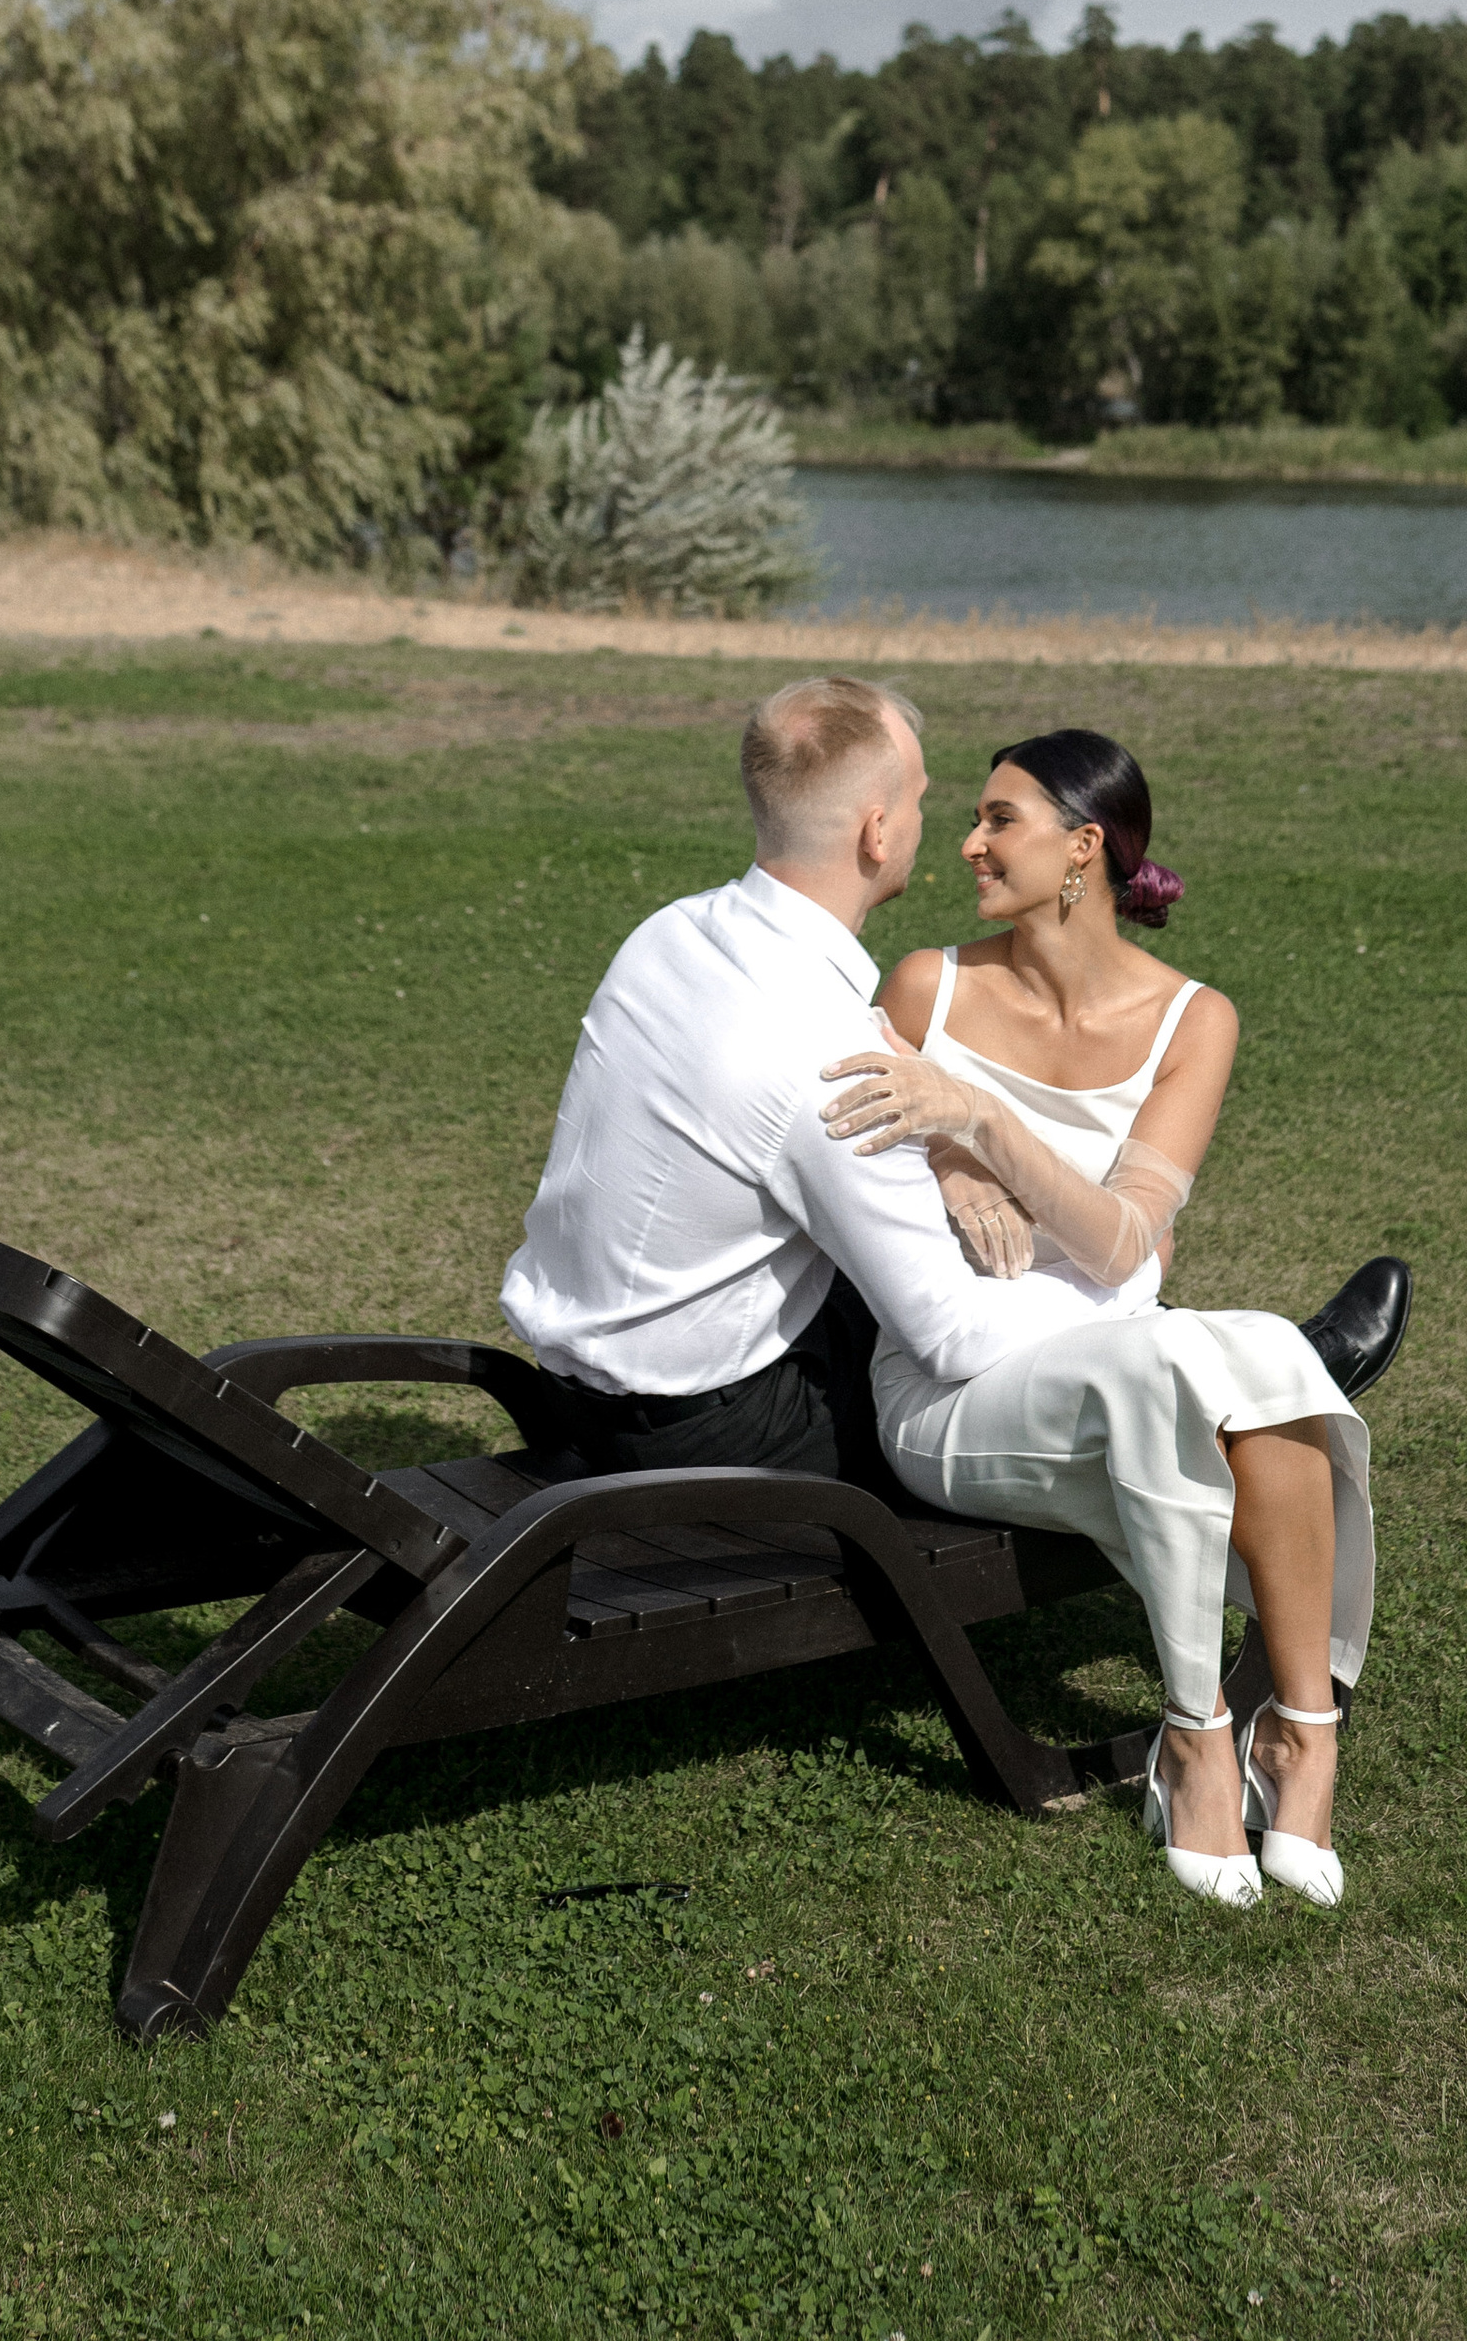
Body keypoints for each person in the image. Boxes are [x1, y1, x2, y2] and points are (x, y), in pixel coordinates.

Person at [819, 726, 1375, 1910]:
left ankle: (1302, 1742)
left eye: (996, 820)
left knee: (1245, 1358)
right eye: (968, 817)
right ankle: (1193, 1739)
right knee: (1211, 1359)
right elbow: (846, 1145)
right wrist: (948, 1166)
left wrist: (972, 1125)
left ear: (1082, 849)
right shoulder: (928, 985)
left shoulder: (1194, 1022)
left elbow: (1125, 1239)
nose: (967, 842)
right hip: (946, 1390)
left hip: (1113, 1359)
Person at [501, 674, 1016, 1487]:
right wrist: (1126, 1285)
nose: (934, 826)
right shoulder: (826, 1050)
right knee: (1015, 1367)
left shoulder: (670, 933)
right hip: (707, 1440)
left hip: (572, 1388)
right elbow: (955, 1336)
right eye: (920, 800)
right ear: (877, 832)